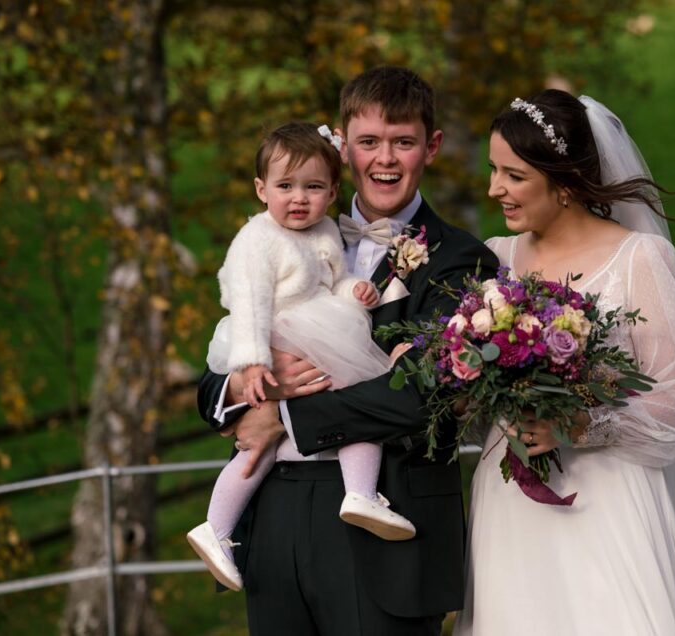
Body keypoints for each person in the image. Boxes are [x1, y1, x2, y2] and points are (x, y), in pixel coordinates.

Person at [196, 66, 499, 635]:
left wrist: (282, 416)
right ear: (342, 146)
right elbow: (228, 350)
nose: (385, 159)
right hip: (274, 516)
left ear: (431, 146)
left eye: (403, 142)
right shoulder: (289, 224)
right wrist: (237, 390)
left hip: (387, 522)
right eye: (368, 142)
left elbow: (422, 393)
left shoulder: (463, 260)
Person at [454, 90, 675, 635]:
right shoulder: (495, 258)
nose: (494, 188)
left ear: (565, 181)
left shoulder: (640, 258)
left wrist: (580, 423)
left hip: (607, 499)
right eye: (493, 170)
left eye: (514, 175)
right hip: (511, 503)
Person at [187, 122, 418, 593]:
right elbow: (250, 300)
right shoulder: (258, 238)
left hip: (317, 327)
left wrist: (354, 292)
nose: (299, 198)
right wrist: (253, 361)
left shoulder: (325, 230)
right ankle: (219, 526)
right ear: (261, 190)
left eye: (313, 188)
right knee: (277, 433)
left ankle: (356, 493)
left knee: (352, 401)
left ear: (332, 193)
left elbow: (331, 280)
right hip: (272, 333)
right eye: (285, 187)